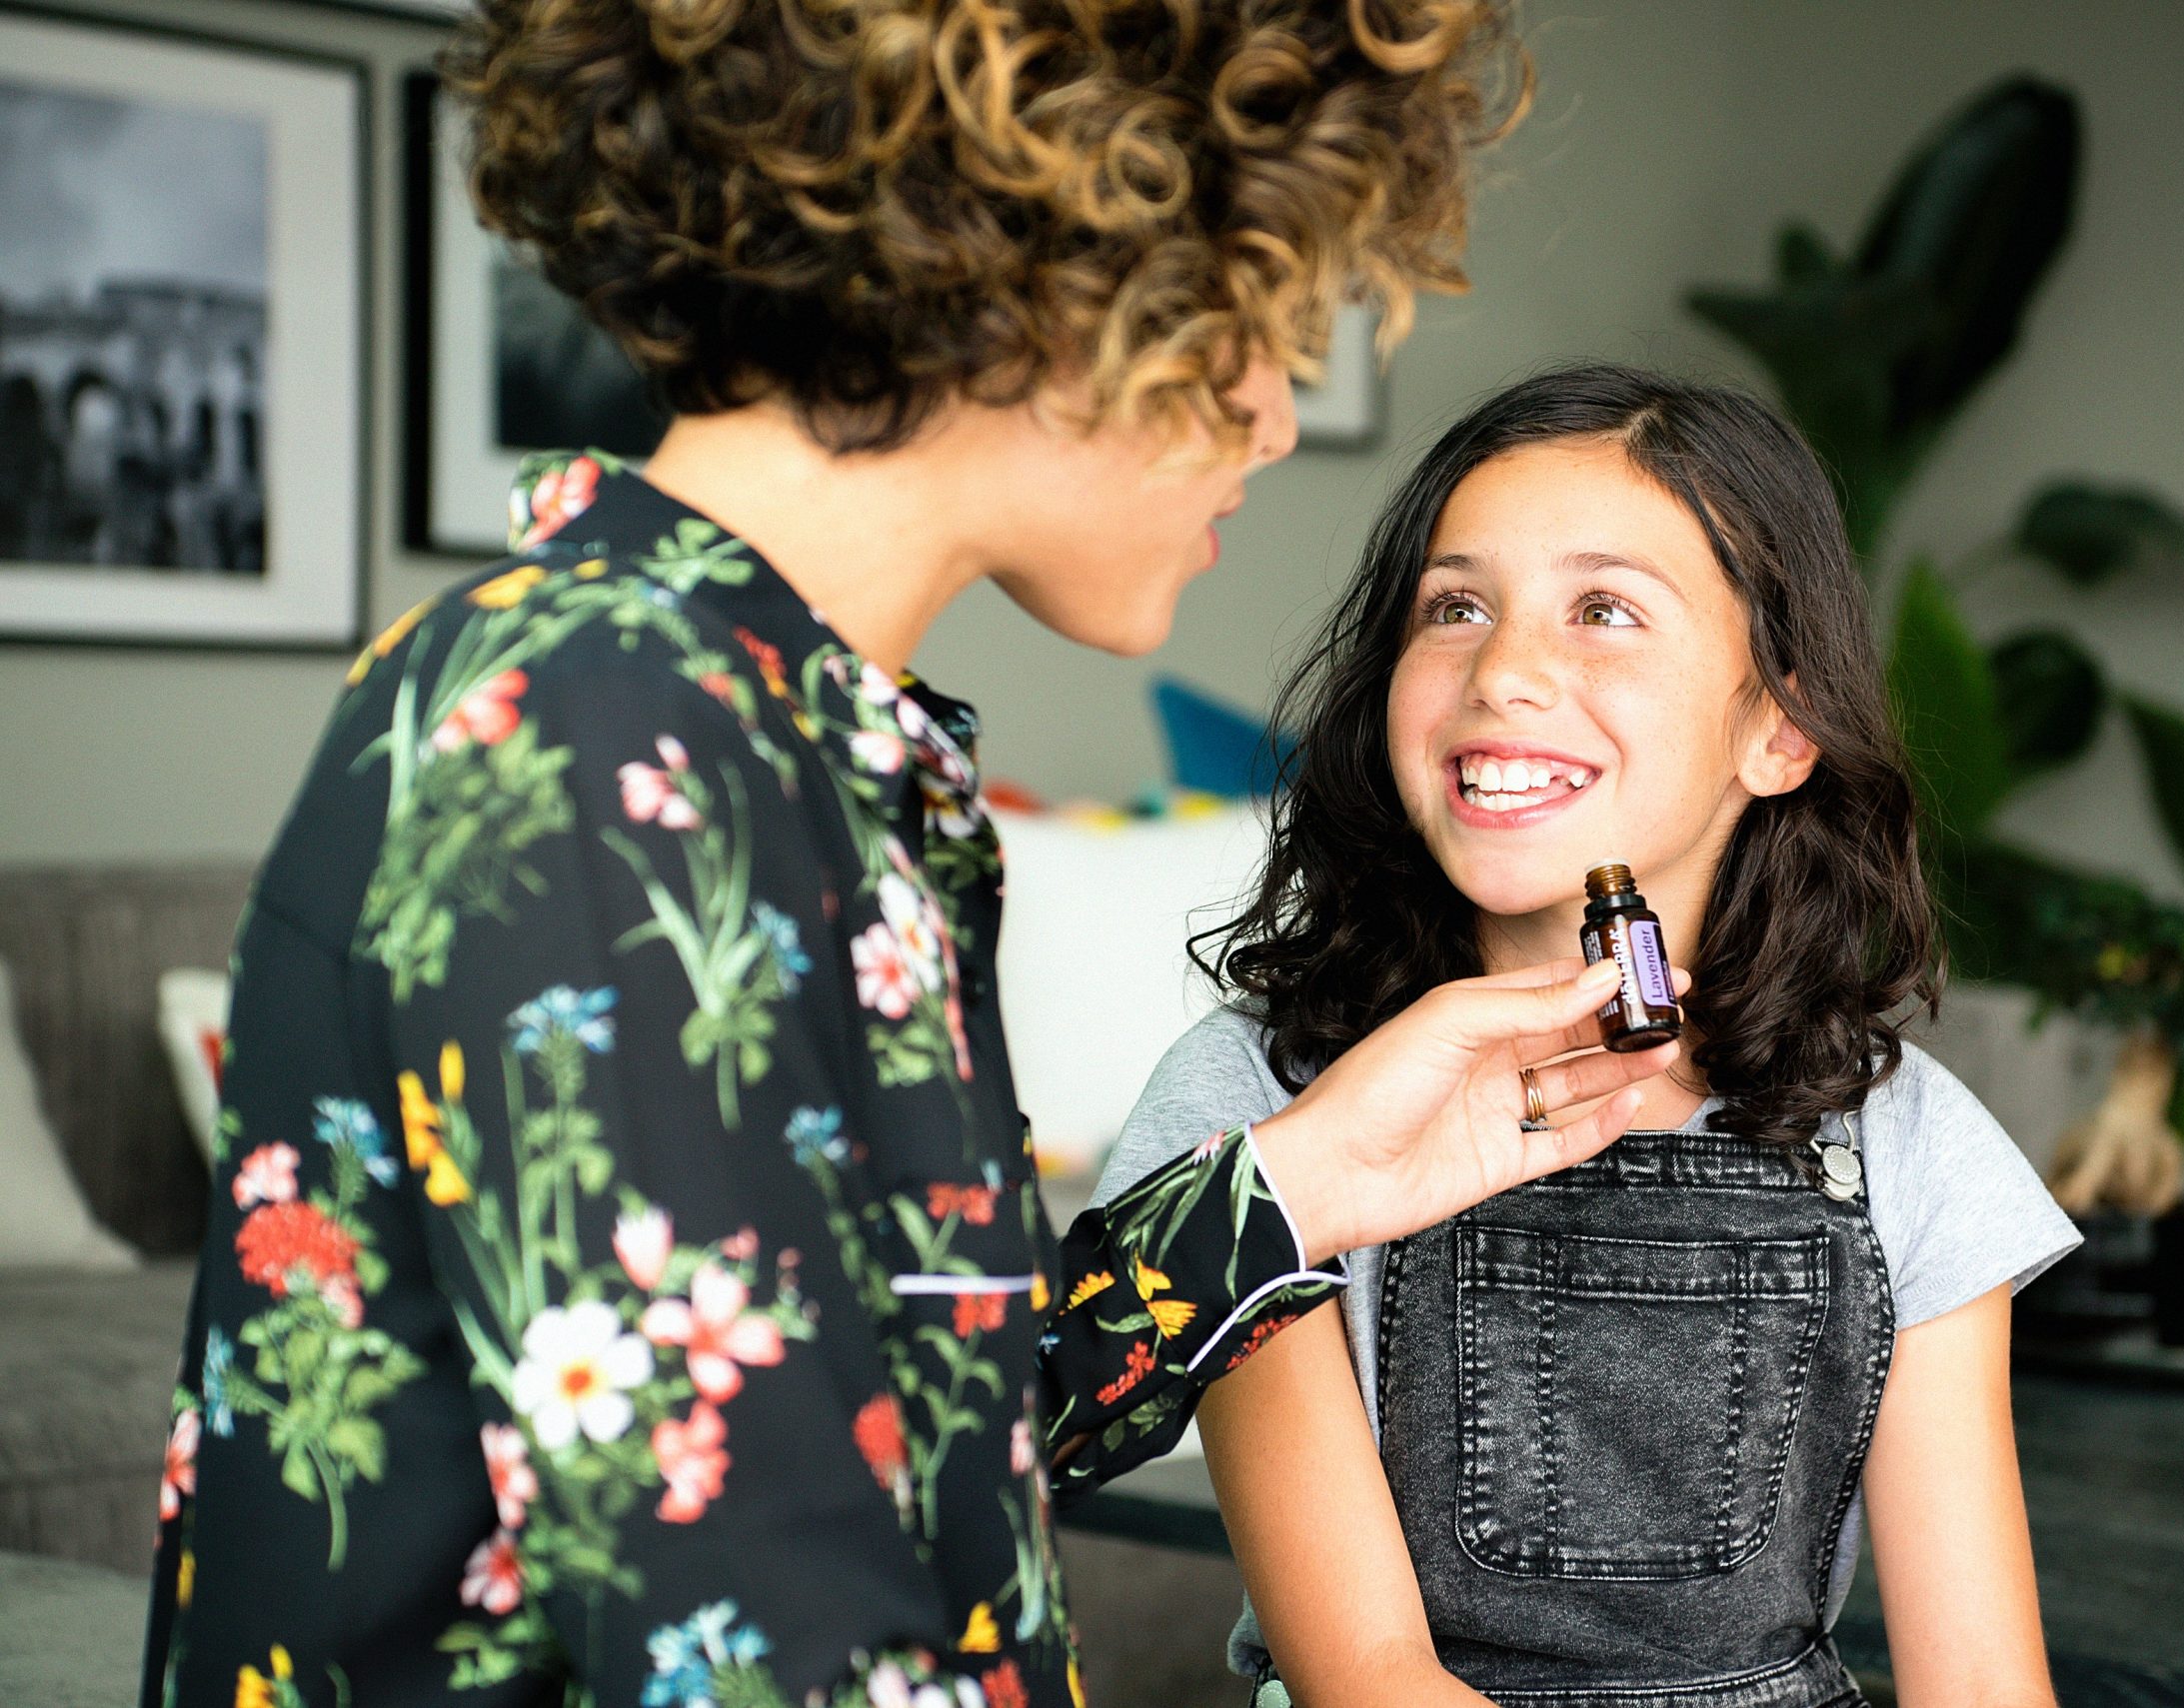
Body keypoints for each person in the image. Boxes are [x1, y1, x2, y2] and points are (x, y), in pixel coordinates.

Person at [135, 9, 1704, 1708]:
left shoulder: (740, 720)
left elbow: (868, 1433)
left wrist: (1301, 1184)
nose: (1274, 409)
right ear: (1066, 256)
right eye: (1264, 308)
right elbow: (755, 1645)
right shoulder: (611, 743)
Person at [1101, 365, 2083, 1708]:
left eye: (1604, 610)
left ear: (1779, 725)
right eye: (1455, 606)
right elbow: (1368, 1677)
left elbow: (1981, 1685)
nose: (1503, 670)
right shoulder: (1260, 1111)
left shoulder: (1908, 1138)